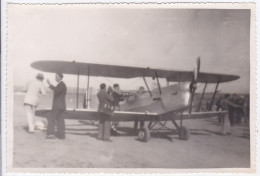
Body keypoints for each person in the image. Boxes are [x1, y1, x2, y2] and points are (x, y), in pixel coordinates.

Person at [46, 73, 67, 139]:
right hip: (62, 106)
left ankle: (51, 134)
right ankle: (61, 135)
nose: (55, 78)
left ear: (60, 77)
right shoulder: (62, 84)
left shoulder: (61, 84)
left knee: (51, 118)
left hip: (57, 106)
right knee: (60, 120)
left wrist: (49, 84)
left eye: (56, 76)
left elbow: (57, 90)